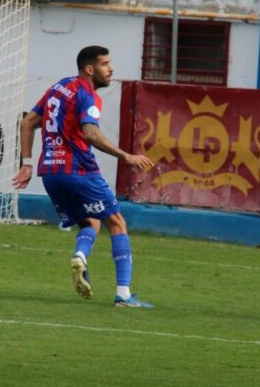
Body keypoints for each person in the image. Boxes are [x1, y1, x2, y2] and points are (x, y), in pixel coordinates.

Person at [12, 45, 156, 308]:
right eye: (105, 64)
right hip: (79, 170)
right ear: (89, 69)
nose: (111, 69)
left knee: (91, 222)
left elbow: (27, 122)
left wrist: (27, 164)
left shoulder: (59, 87)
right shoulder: (87, 95)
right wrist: (125, 156)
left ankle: (80, 255)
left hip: (51, 173)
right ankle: (123, 294)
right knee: (117, 222)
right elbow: (90, 133)